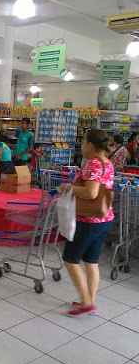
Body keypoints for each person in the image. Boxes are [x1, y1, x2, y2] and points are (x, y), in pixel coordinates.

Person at [59, 129, 114, 317]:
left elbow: (91, 193)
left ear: (90, 145)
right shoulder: (107, 163)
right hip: (104, 218)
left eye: (83, 143)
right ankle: (89, 300)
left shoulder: (92, 164)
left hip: (88, 220)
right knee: (92, 262)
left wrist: (69, 188)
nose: (82, 147)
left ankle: (87, 303)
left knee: (70, 259)